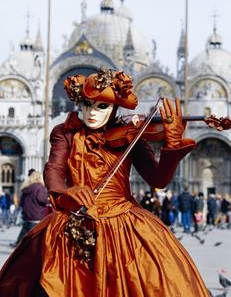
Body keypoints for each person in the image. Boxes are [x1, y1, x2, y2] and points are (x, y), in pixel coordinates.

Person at [0, 68, 209, 296]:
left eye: (102, 106)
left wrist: (172, 147)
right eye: (87, 104)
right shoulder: (67, 133)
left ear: (115, 108)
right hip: (75, 219)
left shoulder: (132, 135)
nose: (92, 113)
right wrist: (65, 191)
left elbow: (157, 178)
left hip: (124, 223)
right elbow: (54, 170)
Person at [9, 171, 50, 248]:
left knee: (26, 230)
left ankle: (19, 244)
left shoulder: (27, 187)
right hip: (37, 214)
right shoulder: (39, 186)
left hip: (28, 214)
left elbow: (21, 202)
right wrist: (49, 199)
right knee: (35, 234)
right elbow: (42, 199)